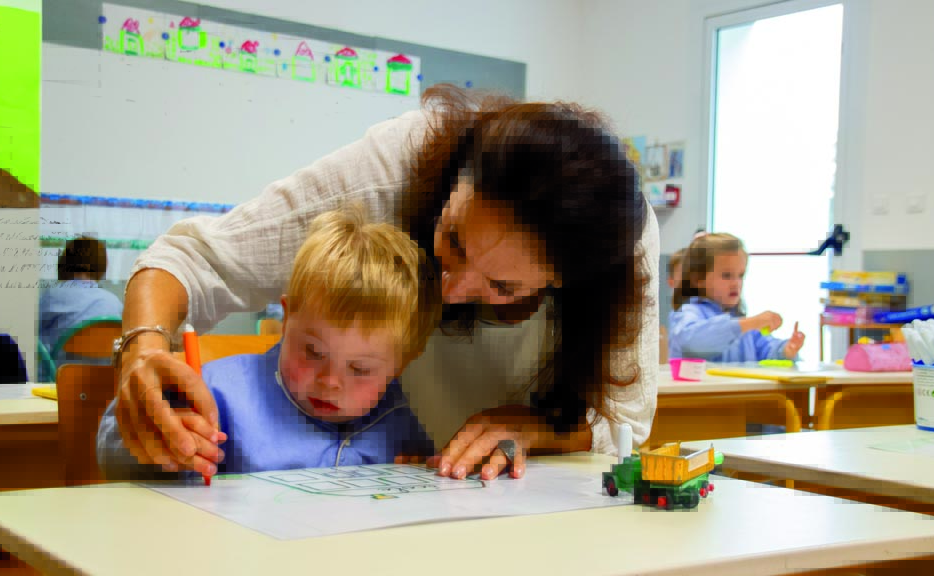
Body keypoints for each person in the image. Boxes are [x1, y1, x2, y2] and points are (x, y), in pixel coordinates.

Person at [109, 84, 660, 482]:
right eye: (452, 239)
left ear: (564, 282)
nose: (448, 291)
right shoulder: (398, 166)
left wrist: (539, 428)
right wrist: (141, 350)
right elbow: (193, 259)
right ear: (455, 180)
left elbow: (625, 423)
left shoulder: (617, 248)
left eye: (503, 287)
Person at [97, 206, 441, 478]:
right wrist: (164, 441)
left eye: (361, 369)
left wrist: (421, 474)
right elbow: (112, 448)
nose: (330, 381)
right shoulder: (216, 394)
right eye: (313, 352)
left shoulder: (397, 419)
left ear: (402, 364)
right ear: (287, 318)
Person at [668, 233, 805, 362]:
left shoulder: (741, 322)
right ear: (698, 279)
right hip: (703, 388)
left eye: (740, 275)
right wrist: (746, 324)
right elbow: (692, 341)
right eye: (727, 275)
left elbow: (766, 350)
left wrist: (786, 350)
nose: (736, 283)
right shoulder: (687, 312)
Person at [38, 236, 122, 381]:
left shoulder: (53, 296)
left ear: (64, 262)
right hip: (102, 385)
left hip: (57, 384)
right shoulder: (115, 303)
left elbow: (28, 334)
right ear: (102, 266)